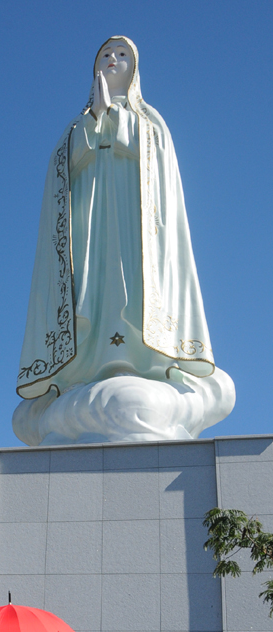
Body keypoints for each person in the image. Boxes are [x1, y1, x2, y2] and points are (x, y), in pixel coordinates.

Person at [13, 36, 234, 447]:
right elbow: (63, 176)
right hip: (92, 233)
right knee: (94, 291)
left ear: (135, 68)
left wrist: (118, 121)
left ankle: (142, 363)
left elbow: (159, 170)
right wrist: (95, 121)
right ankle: (89, 366)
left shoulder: (150, 122)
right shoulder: (76, 128)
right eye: (105, 55)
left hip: (135, 238)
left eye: (122, 56)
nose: (113, 60)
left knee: (132, 289)